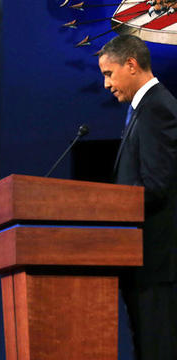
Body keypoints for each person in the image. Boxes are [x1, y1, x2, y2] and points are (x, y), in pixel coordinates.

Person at [98, 34, 177, 360]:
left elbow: (157, 184)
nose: (105, 84)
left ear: (131, 64)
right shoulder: (144, 108)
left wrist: (104, 207)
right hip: (142, 263)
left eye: (108, 73)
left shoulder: (158, 108)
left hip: (157, 264)